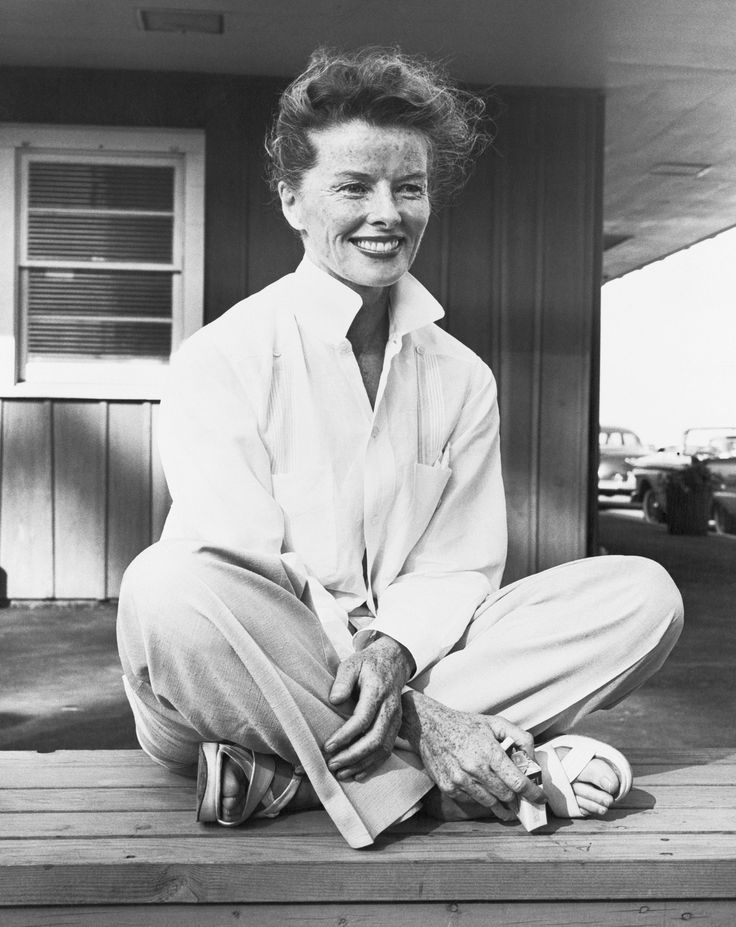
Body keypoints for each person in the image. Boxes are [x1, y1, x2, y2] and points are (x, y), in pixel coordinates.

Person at [116, 47, 683, 849]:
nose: (387, 212)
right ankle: (480, 769)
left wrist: (397, 657)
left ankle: (302, 780)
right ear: (292, 201)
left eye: (408, 187)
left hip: (409, 666)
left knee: (644, 595)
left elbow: (460, 568)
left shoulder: (460, 376)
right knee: (165, 586)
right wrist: (425, 709)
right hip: (246, 675)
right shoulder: (224, 358)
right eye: (354, 186)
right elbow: (238, 567)